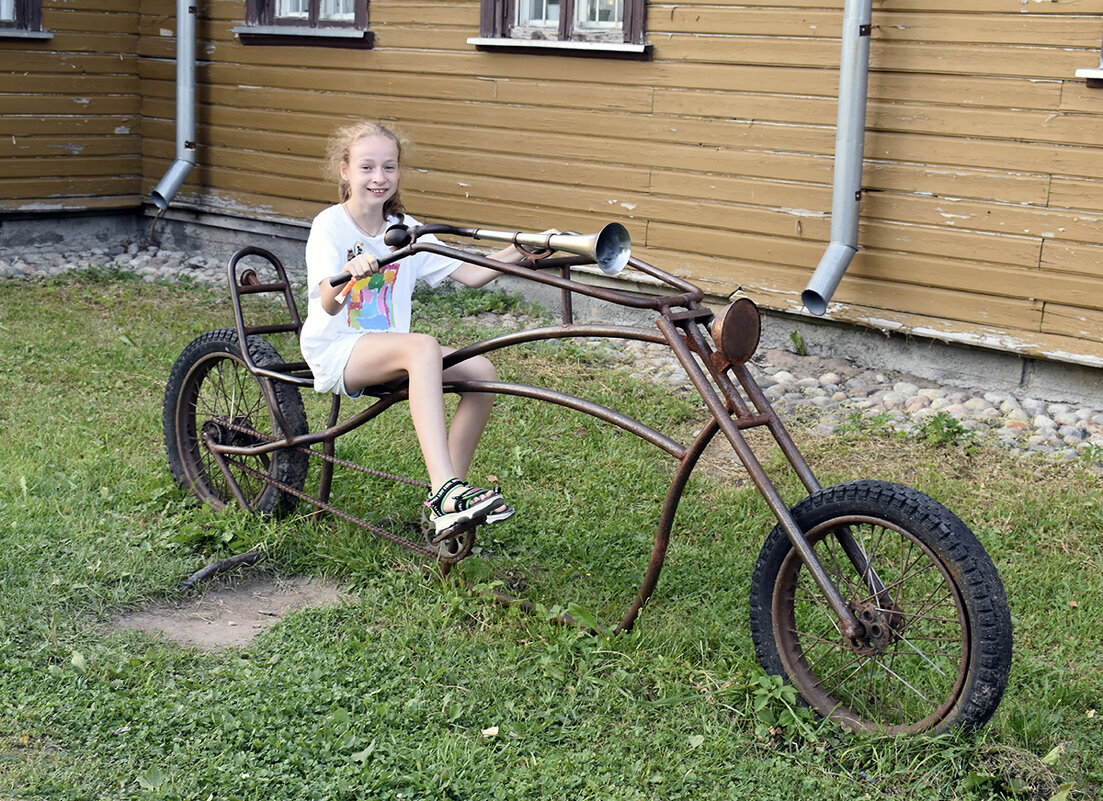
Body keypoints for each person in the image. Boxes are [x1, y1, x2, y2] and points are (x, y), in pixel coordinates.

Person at [299, 121, 527, 536]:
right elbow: (326, 303)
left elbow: (473, 274)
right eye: (367, 167)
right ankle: (445, 489)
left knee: (481, 373)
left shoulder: (406, 229)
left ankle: (449, 503)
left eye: (389, 167)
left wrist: (521, 250)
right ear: (344, 170)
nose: (379, 178)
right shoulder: (329, 225)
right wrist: (347, 274)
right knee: (422, 346)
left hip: (387, 347)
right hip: (337, 349)